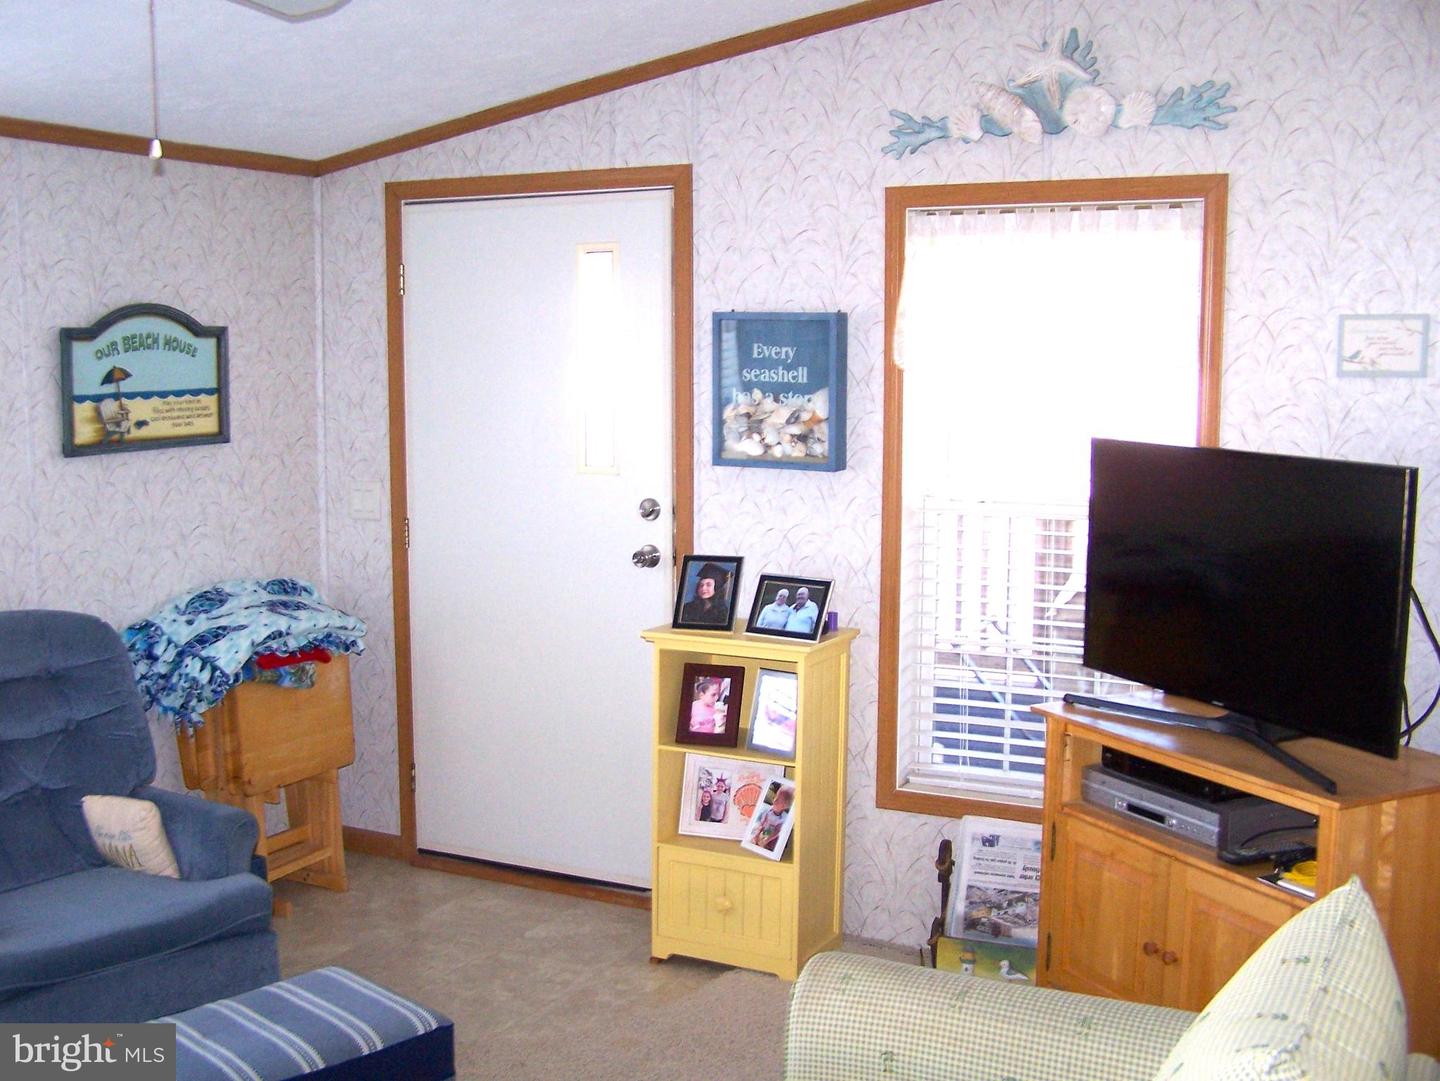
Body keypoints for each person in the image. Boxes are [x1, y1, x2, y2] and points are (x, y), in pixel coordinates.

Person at [749, 784, 793, 852]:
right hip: (764, 830)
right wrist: (757, 834)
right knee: (756, 838)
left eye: (778, 800)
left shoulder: (782, 819)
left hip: (772, 837)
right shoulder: (768, 811)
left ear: (785, 806)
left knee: (771, 844)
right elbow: (762, 824)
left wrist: (768, 840)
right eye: (775, 797)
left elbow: (777, 831)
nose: (774, 800)